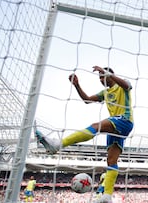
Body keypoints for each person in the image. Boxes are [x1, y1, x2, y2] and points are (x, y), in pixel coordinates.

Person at [35, 66, 134, 203]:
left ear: (110, 75)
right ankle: (107, 196)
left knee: (95, 126)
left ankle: (57, 144)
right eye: (99, 77)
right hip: (116, 126)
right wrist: (77, 85)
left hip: (124, 120)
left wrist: (108, 74)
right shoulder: (104, 93)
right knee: (111, 161)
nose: (100, 79)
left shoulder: (121, 86)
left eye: (102, 76)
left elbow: (127, 85)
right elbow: (87, 100)